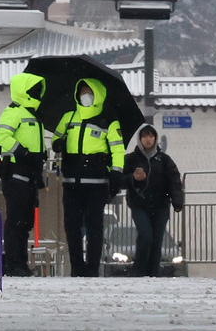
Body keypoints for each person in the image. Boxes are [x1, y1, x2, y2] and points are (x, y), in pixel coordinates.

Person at [53, 77, 125, 276]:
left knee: (95, 228)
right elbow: (56, 138)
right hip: (71, 183)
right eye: (83, 91)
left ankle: (92, 268)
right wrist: (58, 143)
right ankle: (77, 266)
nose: (85, 95)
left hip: (96, 184)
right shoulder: (68, 117)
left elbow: (118, 150)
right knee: (72, 227)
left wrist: (117, 173)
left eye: (89, 92)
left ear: (97, 94)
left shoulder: (109, 120)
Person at [0, 73, 48, 276]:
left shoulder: (34, 114)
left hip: (30, 176)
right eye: (34, 90)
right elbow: (2, 135)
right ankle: (13, 263)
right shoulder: (14, 111)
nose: (38, 94)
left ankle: (21, 263)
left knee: (25, 223)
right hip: (16, 175)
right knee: (15, 222)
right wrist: (21, 151)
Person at [126, 123, 184, 277]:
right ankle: (138, 271)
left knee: (157, 240)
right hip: (139, 205)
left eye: (151, 135)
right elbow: (120, 179)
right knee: (145, 236)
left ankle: (152, 273)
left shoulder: (164, 160)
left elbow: (174, 181)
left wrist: (177, 201)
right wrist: (133, 178)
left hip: (161, 206)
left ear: (156, 138)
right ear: (139, 139)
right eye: (144, 135)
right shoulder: (131, 159)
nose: (148, 139)